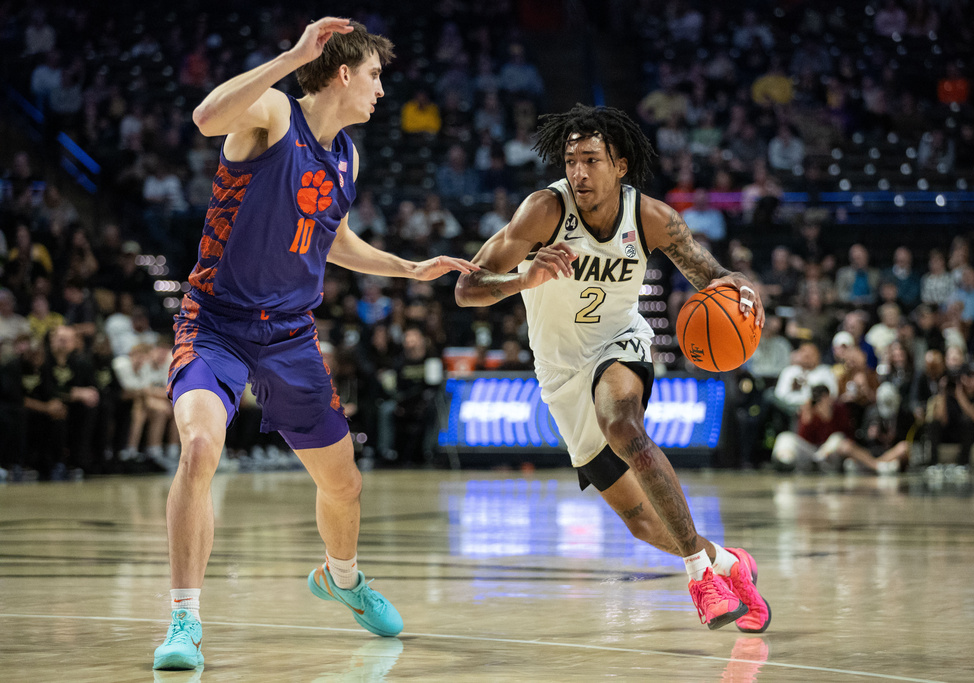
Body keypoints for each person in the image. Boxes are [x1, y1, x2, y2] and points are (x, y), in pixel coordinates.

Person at [154, 18, 478, 671]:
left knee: (345, 483)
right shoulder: (274, 112)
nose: (382, 91)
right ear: (343, 72)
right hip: (216, 321)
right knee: (198, 447)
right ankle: (184, 618)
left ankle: (342, 576)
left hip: (290, 336)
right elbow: (205, 116)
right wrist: (292, 55)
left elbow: (335, 238)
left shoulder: (347, 154)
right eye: (377, 76)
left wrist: (409, 267)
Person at [454, 104, 770, 633]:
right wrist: (521, 281)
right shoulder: (543, 211)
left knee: (622, 423)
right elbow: (466, 289)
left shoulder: (650, 218)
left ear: (619, 165)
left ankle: (699, 577)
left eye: (591, 160)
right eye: (571, 160)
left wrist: (741, 289)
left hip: (619, 343)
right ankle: (727, 562)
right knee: (641, 523)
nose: (578, 171)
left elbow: (713, 276)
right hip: (559, 372)